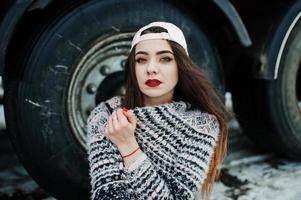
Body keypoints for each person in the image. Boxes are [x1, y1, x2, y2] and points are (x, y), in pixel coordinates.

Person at [87, 21, 228, 200]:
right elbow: (107, 194)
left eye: (165, 59)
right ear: (133, 68)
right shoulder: (105, 116)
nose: (151, 69)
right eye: (141, 60)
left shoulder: (202, 125)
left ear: (181, 66)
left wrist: (128, 147)